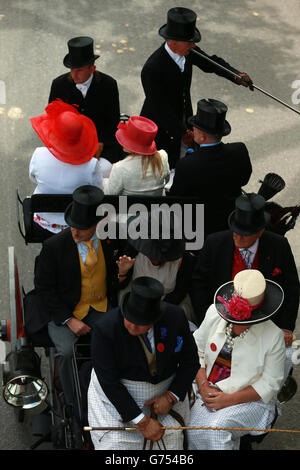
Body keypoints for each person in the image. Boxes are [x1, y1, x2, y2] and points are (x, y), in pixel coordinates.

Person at [25, 185, 119, 407]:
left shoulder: (109, 242)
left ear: (97, 225)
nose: (75, 232)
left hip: (100, 307)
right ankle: (73, 401)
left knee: (118, 341)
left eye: (82, 228)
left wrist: (122, 273)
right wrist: (69, 319)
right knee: (67, 352)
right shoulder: (53, 247)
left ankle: (110, 394)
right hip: (65, 310)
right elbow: (43, 289)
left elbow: (111, 281)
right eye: (73, 226)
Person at [87, 276, 199, 450]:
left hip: (164, 391)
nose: (132, 326)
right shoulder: (105, 329)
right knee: (116, 446)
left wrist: (171, 396)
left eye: (140, 323)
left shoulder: (175, 318)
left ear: (155, 319)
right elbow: (109, 382)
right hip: (118, 397)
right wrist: (142, 421)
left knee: (171, 441)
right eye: (129, 319)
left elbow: (190, 361)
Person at [140, 7, 253, 168]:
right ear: (172, 43)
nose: (193, 45)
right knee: (164, 165)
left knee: (186, 161)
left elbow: (210, 63)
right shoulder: (152, 68)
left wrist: (235, 74)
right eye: (189, 42)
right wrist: (182, 133)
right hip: (162, 126)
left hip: (184, 117)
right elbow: (159, 106)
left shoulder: (189, 51)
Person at [187, 269, 286, 450]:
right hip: (207, 389)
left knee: (216, 429)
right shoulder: (213, 314)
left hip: (250, 400)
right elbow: (196, 350)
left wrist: (228, 400)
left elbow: (271, 383)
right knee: (192, 428)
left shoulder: (274, 336)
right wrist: (203, 385)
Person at [190, 193, 300, 348]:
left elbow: (291, 289)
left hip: (266, 328)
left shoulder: (279, 246)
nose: (238, 237)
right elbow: (198, 285)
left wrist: (285, 327)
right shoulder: (214, 244)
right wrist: (209, 321)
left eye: (245, 234)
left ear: (260, 232)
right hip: (223, 325)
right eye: (235, 230)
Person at [169, 99, 252, 238]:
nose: (192, 130)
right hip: (233, 222)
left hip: (200, 229)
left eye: (194, 128)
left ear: (202, 136)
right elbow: (244, 179)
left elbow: (177, 200)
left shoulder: (187, 165)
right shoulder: (239, 150)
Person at [29, 99, 105, 236]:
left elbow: (33, 178)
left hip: (43, 219)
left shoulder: (38, 154)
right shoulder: (91, 166)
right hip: (76, 222)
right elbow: (98, 191)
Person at [48, 36, 122, 163]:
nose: (74, 74)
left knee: (105, 172)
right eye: (72, 69)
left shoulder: (109, 85)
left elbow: (112, 120)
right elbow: (53, 119)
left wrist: (99, 145)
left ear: (92, 69)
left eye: (79, 70)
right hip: (68, 145)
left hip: (102, 146)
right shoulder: (58, 85)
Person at [115, 210, 196, 323]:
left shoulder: (185, 259)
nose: (154, 258)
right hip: (135, 299)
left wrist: (154, 312)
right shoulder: (133, 249)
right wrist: (123, 272)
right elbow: (118, 285)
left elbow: (179, 293)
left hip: (167, 303)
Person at [103, 116, 170, 196]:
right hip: (157, 207)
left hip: (128, 208)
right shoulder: (163, 156)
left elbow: (108, 195)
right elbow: (167, 180)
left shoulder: (119, 168)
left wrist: (111, 175)